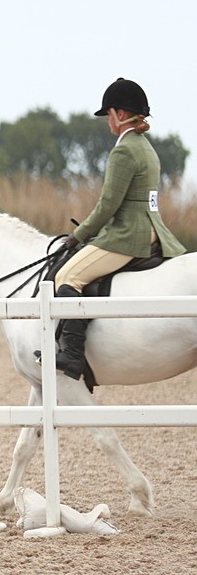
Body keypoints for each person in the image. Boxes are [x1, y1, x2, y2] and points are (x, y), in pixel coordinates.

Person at [51, 77, 186, 379]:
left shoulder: (124, 151)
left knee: (66, 275)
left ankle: (72, 354)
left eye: (109, 114)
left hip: (128, 235)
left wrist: (79, 235)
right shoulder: (146, 147)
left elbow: (108, 205)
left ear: (121, 114)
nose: (107, 121)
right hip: (153, 229)